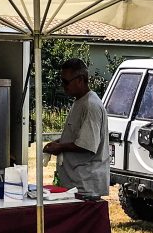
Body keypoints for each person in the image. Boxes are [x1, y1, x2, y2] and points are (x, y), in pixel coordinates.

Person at [42, 58, 109, 199]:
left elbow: (87, 145)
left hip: (85, 187)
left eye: (66, 82)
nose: (63, 86)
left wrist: (60, 148)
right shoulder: (80, 101)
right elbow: (76, 135)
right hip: (75, 184)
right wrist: (59, 142)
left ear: (80, 79)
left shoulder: (90, 105)